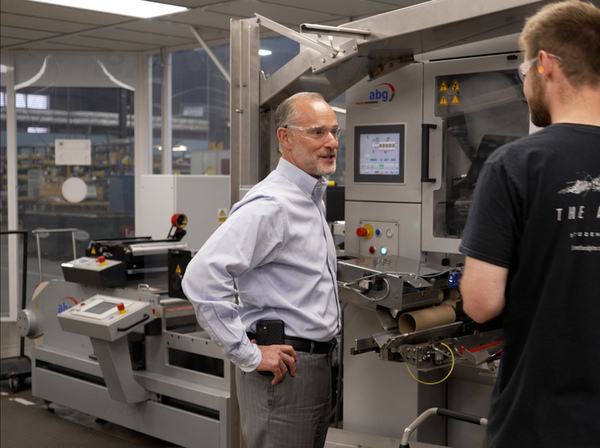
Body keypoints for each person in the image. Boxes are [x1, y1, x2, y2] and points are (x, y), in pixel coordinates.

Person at [458, 1, 600, 447]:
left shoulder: (514, 165)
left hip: (541, 422)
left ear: (545, 65)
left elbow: (481, 303)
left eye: (522, 73)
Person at [182, 92, 341, 448]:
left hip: (317, 366)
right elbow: (202, 277)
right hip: (284, 372)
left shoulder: (311, 198)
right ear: (285, 138)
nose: (331, 142)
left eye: (334, 132)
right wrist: (248, 354)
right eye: (317, 132)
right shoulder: (272, 204)